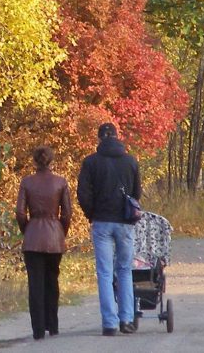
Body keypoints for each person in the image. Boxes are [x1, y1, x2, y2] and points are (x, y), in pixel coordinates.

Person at [76, 122, 142, 336]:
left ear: (99, 139)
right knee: (124, 270)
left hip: (102, 221)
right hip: (124, 222)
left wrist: (91, 213)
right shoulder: (131, 161)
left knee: (104, 272)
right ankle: (127, 319)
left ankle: (110, 323)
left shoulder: (90, 163)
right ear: (117, 136)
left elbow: (83, 193)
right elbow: (137, 193)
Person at [15, 145, 71, 340]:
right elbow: (67, 214)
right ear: (51, 161)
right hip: (54, 237)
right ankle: (53, 325)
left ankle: (38, 330)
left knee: (35, 285)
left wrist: (27, 230)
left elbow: (21, 213)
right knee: (52, 281)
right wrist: (60, 232)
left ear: (34, 161)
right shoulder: (60, 182)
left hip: (33, 238)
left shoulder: (27, 182)